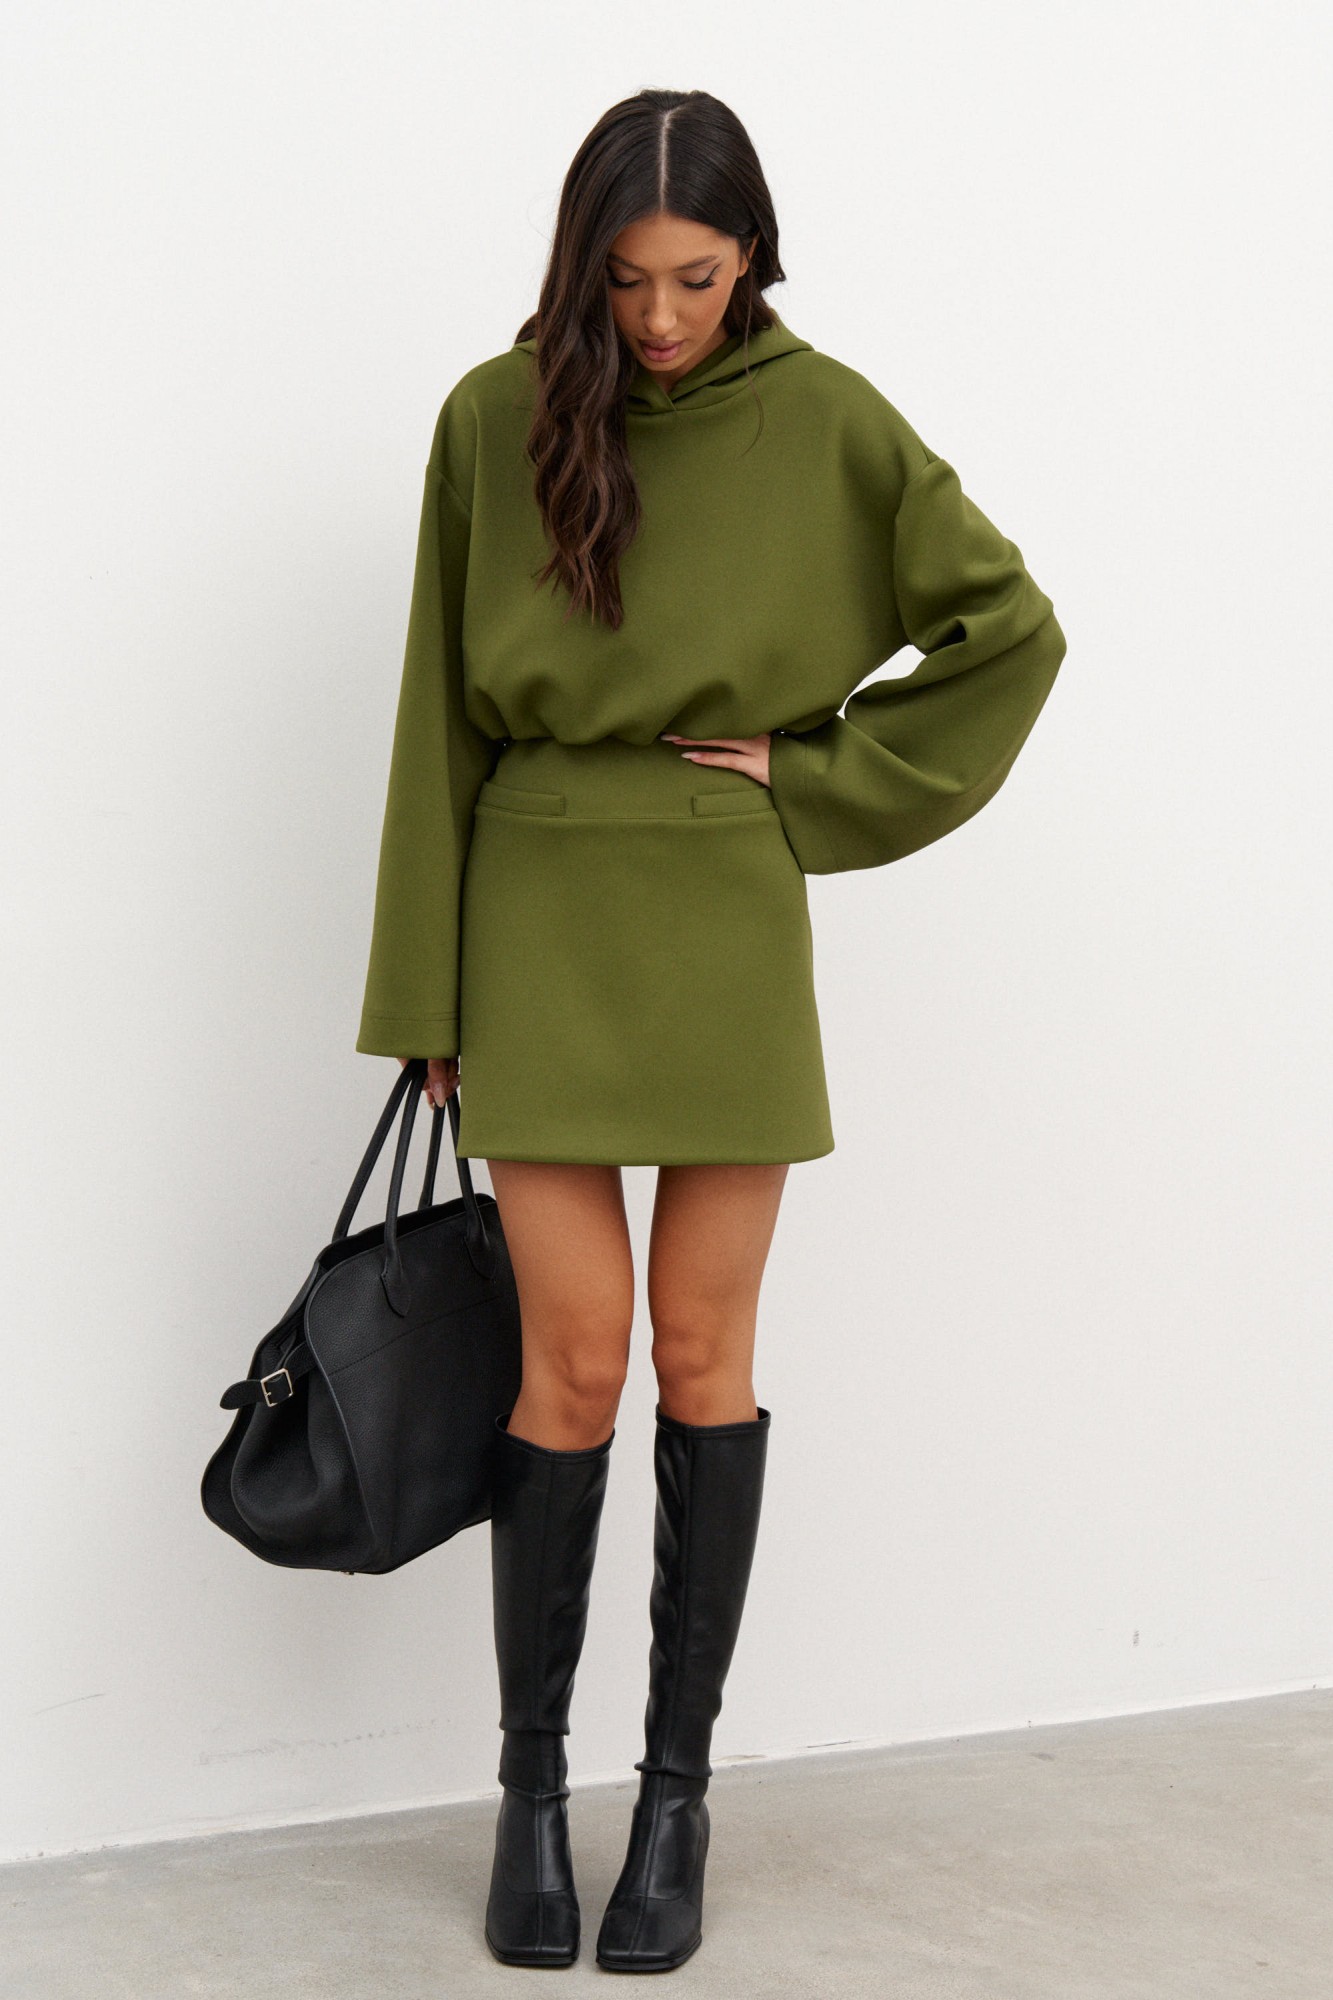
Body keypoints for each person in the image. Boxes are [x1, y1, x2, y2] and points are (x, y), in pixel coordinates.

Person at [355, 87, 1066, 1974]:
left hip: (726, 919)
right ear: (579, 265)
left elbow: (1009, 630)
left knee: (701, 1354)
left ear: (752, 254)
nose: (660, 316)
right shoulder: (493, 417)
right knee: (570, 1362)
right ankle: (531, 1796)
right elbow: (434, 715)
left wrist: (815, 780)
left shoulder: (826, 420)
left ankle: (674, 1803)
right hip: (534, 910)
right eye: (625, 279)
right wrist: (423, 994)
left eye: (694, 274)